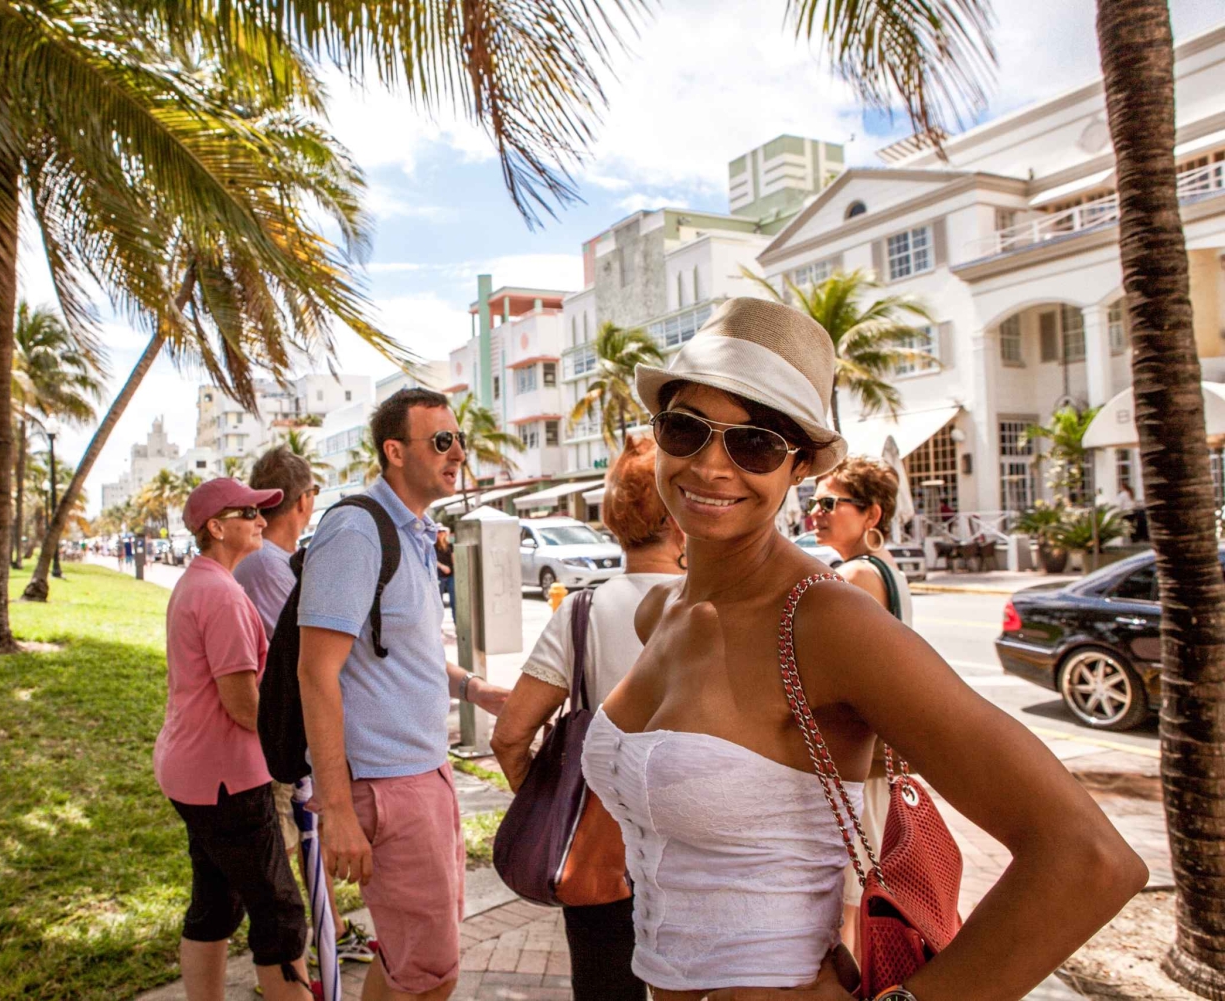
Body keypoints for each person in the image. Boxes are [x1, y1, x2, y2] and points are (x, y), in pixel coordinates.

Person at [581, 297, 1146, 1001]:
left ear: (800, 468)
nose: (710, 464)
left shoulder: (825, 621)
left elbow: (1089, 857)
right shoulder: (659, 611)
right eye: (685, 428)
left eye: (754, 442)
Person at [297, 388, 510, 1001]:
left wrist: (473, 688)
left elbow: (401, 649)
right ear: (394, 451)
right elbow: (316, 673)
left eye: (458, 439)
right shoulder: (357, 531)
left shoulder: (411, 531)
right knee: (432, 973)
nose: (458, 453)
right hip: (388, 787)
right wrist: (336, 810)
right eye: (441, 441)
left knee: (404, 959)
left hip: (425, 774)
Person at [491, 434, 684, 1001]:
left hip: (603, 854)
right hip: (705, 856)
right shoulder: (717, 608)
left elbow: (509, 737)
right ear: (681, 518)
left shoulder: (582, 611)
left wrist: (548, 796)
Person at [153, 478, 313, 1001]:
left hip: (193, 773)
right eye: (250, 513)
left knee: (216, 902)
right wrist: (301, 744)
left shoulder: (199, 582)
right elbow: (244, 705)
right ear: (217, 527)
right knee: (281, 913)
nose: (263, 522)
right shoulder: (221, 594)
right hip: (226, 780)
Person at [235, 446, 376, 966]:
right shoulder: (269, 566)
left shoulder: (265, 563)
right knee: (297, 844)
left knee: (300, 842)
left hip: (275, 732)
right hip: (279, 735)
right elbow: (305, 660)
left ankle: (329, 932)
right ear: (304, 500)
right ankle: (311, 947)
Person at [805, 455, 914, 956]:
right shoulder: (888, 570)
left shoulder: (854, 576)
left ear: (871, 515)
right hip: (883, 756)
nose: (816, 513)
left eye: (830, 503)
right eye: (813, 502)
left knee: (851, 907)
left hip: (860, 761)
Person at [434, 526, 456, 618]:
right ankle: (439, 626)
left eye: (443, 531)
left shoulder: (450, 545)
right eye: (439, 531)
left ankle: (456, 623)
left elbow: (453, 559)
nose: (441, 533)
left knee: (454, 600)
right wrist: (442, 567)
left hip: (451, 576)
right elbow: (433, 560)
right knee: (439, 602)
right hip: (439, 576)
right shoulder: (433, 546)